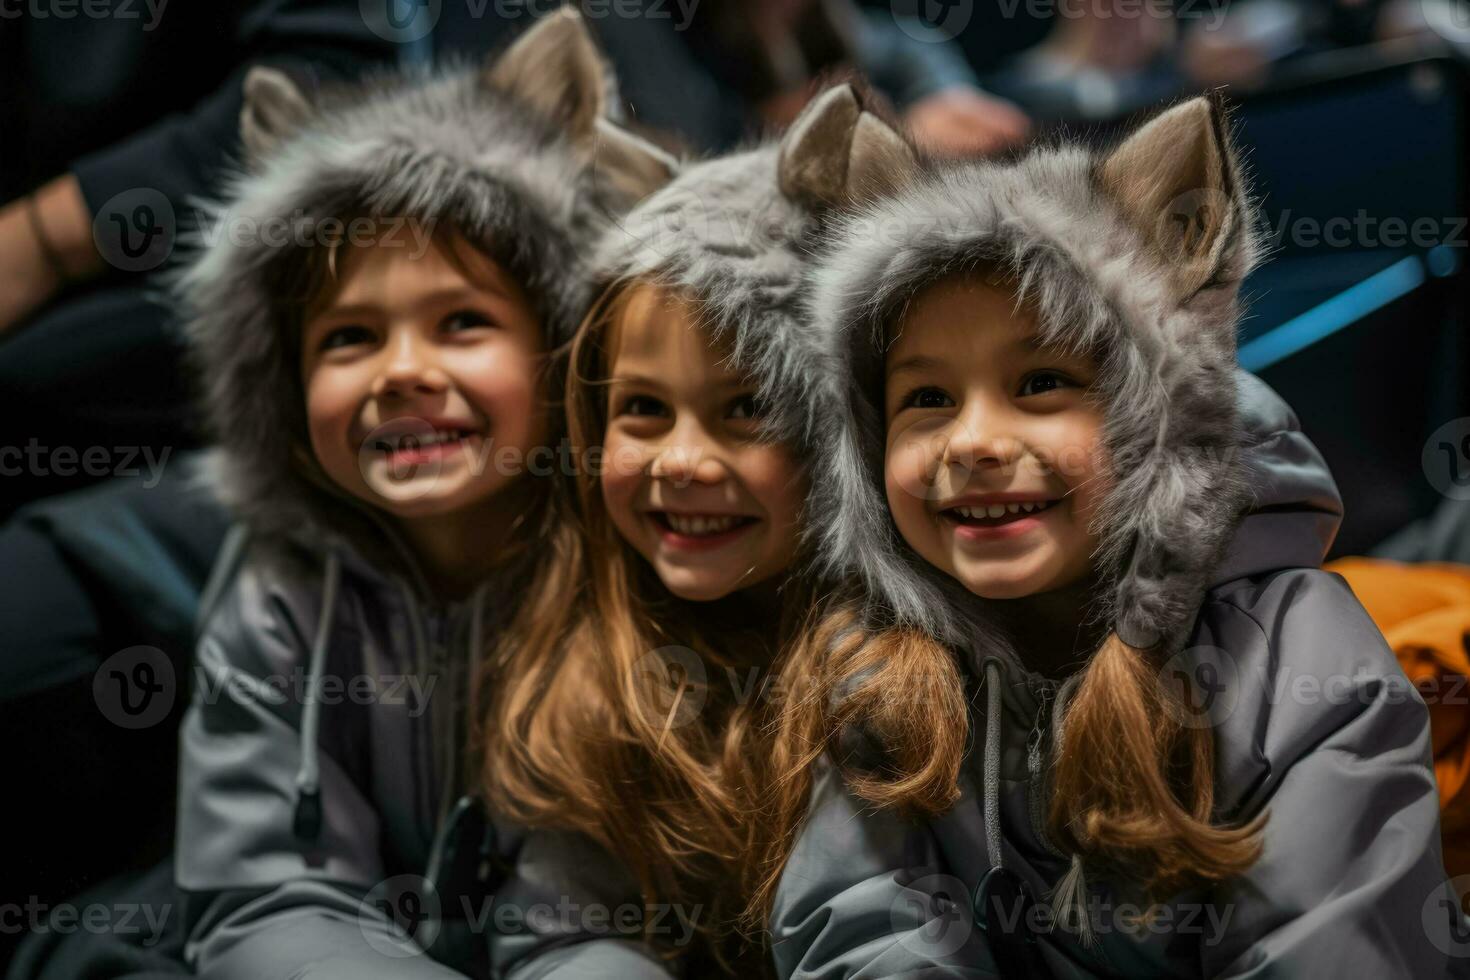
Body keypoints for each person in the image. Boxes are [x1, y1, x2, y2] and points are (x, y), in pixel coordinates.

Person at [764, 95, 1465, 974]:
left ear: (1166, 414)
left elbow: (1334, 944)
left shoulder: (1295, 658)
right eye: (928, 398)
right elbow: (864, 929)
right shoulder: (878, 666)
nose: (974, 441)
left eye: (1044, 380)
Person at [167, 9, 673, 977]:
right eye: (348, 337)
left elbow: (596, 917)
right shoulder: (278, 588)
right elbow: (266, 895)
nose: (401, 370)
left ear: (567, 347)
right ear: (282, 379)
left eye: (461, 322)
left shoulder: (608, 582)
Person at [477, 84, 915, 976]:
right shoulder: (595, 667)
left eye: (747, 407)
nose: (680, 461)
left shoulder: (911, 673)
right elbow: (566, 931)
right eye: (641, 409)